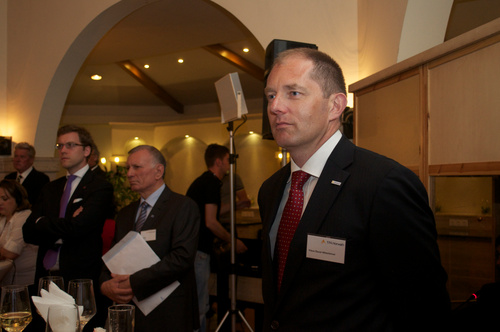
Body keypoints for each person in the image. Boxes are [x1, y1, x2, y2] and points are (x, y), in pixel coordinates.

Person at [258, 48, 450, 331]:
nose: (275, 107)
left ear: (335, 106)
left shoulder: (383, 184)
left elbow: (424, 307)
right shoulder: (271, 189)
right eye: (271, 95)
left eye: (294, 93)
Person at [22, 125, 114, 331]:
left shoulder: (99, 187)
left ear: (87, 151)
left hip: (79, 276)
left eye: (70, 145)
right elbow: (28, 231)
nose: (63, 150)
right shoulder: (50, 188)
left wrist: (44, 223)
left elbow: (79, 228)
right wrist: (61, 225)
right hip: (46, 276)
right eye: (60, 145)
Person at [100, 145, 200, 332]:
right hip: (132, 314)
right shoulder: (125, 214)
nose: (129, 173)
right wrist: (105, 284)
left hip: (169, 314)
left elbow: (181, 258)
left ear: (158, 171)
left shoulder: (182, 207)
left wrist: (133, 282)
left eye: (136, 167)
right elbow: (112, 257)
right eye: (128, 167)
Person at [186, 144, 248, 332]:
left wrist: (235, 207)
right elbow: (211, 222)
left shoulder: (204, 181)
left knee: (199, 304)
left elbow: (210, 212)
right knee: (200, 306)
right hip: (199, 250)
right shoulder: (211, 183)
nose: (230, 164)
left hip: (193, 249)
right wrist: (233, 241)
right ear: (219, 162)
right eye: (228, 160)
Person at [0, 179, 37, 286]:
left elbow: (10, 252)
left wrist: (3, 252)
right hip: (7, 280)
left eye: (4, 199)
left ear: (18, 199)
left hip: (24, 283)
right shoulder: (3, 218)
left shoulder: (24, 216)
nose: (0, 202)